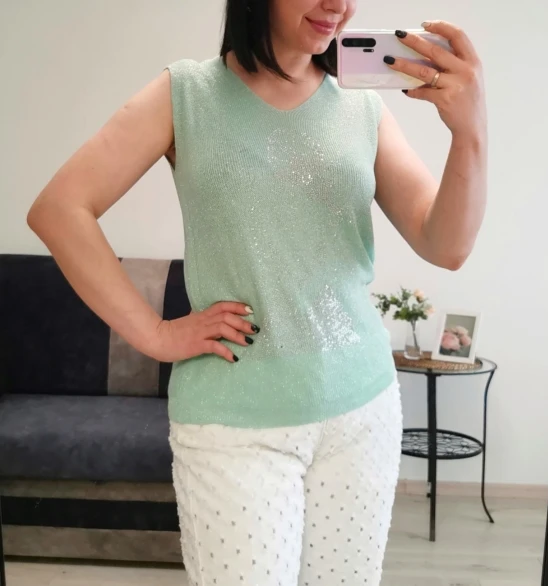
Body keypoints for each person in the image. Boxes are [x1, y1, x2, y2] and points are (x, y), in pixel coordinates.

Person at [27, 0, 487, 584]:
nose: (338, 6)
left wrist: (470, 132)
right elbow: (60, 209)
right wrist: (155, 334)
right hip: (232, 425)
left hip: (363, 413)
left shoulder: (363, 108)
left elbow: (446, 245)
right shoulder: (187, 94)